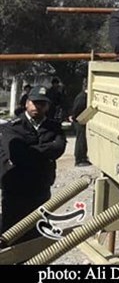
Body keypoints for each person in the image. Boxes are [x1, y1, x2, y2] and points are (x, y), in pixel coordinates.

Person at [0, 87, 67, 242]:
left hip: (41, 188)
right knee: (11, 233)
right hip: (16, 189)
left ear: (48, 106)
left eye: (42, 103)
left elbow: (58, 148)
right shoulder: (12, 127)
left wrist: (31, 151)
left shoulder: (54, 127)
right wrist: (45, 152)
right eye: (34, 102)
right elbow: (18, 155)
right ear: (27, 103)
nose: (38, 107)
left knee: (37, 233)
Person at [69, 79, 90, 167]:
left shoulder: (84, 96)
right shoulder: (82, 97)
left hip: (81, 120)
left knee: (83, 139)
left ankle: (83, 157)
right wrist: (74, 117)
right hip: (79, 120)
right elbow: (77, 109)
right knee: (80, 140)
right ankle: (79, 159)